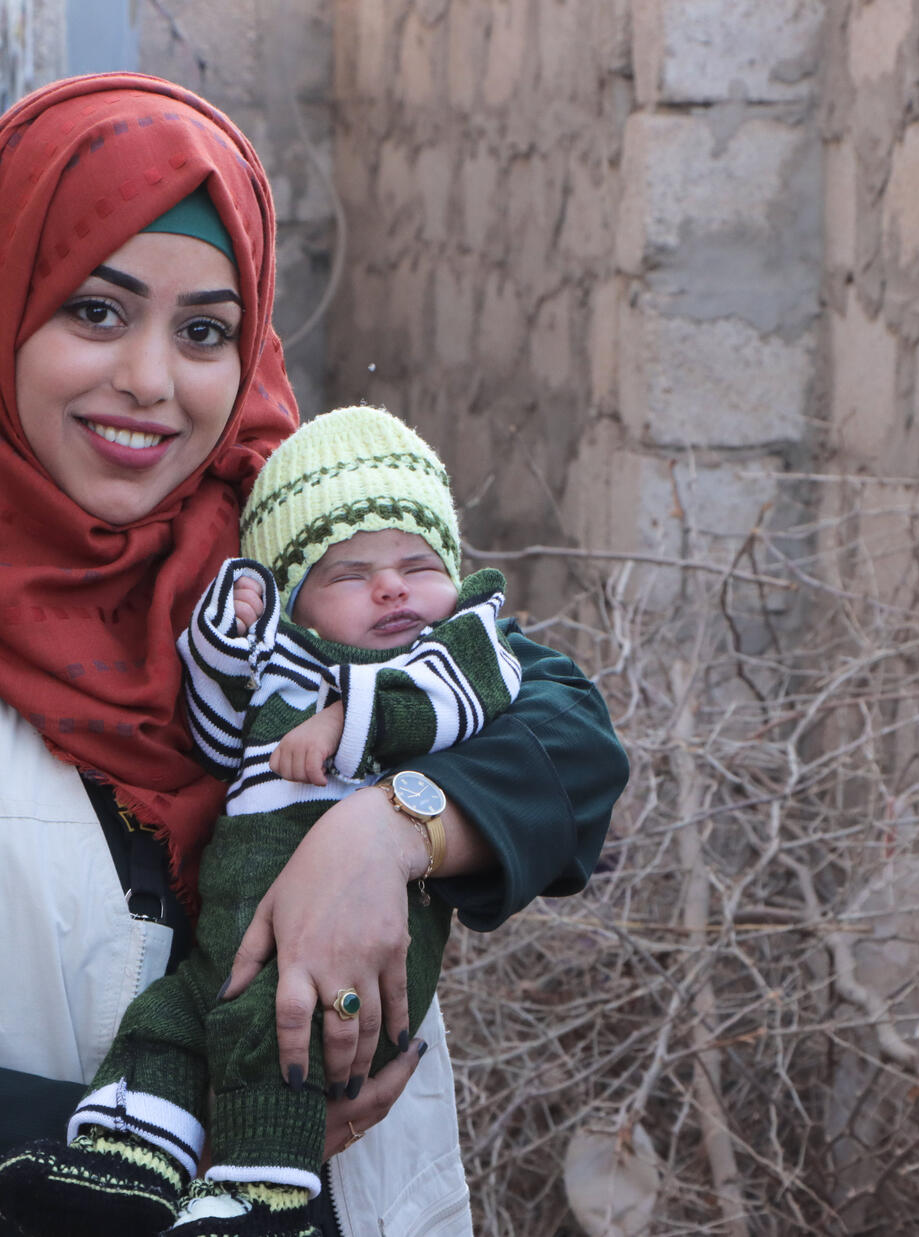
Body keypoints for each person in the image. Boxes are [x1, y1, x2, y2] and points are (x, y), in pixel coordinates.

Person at [0, 71, 629, 1237]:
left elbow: (566, 733)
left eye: (203, 330)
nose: (148, 379)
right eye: (94, 309)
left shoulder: (292, 549)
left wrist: (389, 831)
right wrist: (229, 1126)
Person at [0, 405, 523, 1237]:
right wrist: (231, 629)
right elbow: (212, 735)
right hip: (235, 924)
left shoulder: (454, 642)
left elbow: (457, 698)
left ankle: (262, 1197)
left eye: (418, 563)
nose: (392, 587)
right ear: (301, 601)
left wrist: (347, 722)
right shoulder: (290, 658)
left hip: (347, 955)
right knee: (171, 1020)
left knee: (274, 1040)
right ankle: (125, 1162)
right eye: (351, 573)